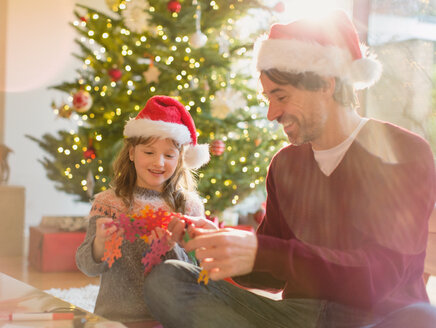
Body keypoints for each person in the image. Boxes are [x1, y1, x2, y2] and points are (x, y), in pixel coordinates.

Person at [143, 10, 436, 328]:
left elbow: (380, 275)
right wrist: (217, 242)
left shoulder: (402, 150)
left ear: (325, 84)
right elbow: (271, 274)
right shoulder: (285, 164)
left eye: (280, 96)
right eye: (268, 98)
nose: (271, 113)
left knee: (422, 318)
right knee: (169, 280)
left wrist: (264, 252)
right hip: (297, 317)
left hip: (379, 317)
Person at [76, 95, 210, 322]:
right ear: (131, 153)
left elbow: (198, 274)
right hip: (115, 317)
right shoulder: (109, 204)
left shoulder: (189, 207)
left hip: (170, 317)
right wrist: (100, 243)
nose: (159, 162)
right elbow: (86, 265)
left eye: (169, 155)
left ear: (179, 159)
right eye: (149, 152)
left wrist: (172, 249)